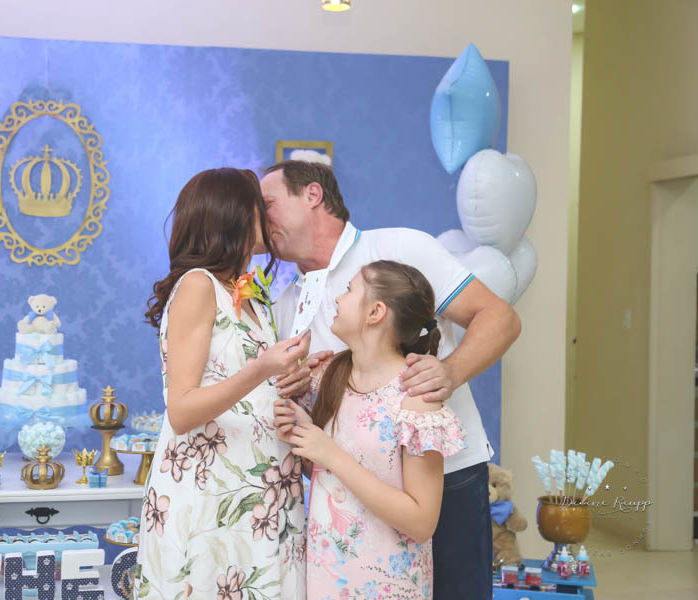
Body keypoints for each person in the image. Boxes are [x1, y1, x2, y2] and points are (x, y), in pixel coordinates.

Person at [262, 160, 521, 599]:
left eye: (268, 204)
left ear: (312, 195)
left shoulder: (400, 247)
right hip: (351, 511)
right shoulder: (286, 303)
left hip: (444, 479)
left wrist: (450, 371)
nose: (261, 219)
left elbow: (500, 317)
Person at [135, 168, 310, 599]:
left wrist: (296, 377)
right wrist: (262, 369)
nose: (268, 217)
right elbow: (182, 409)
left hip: (263, 495)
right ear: (233, 214)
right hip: (210, 493)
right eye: (259, 207)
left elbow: (249, 383)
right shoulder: (199, 285)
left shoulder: (252, 294)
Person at [274, 260, 466, 598]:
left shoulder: (415, 400)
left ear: (375, 312)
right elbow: (327, 476)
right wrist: (301, 433)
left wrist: (331, 454)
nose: (337, 298)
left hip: (387, 586)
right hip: (326, 581)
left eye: (349, 290)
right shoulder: (328, 376)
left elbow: (421, 522)